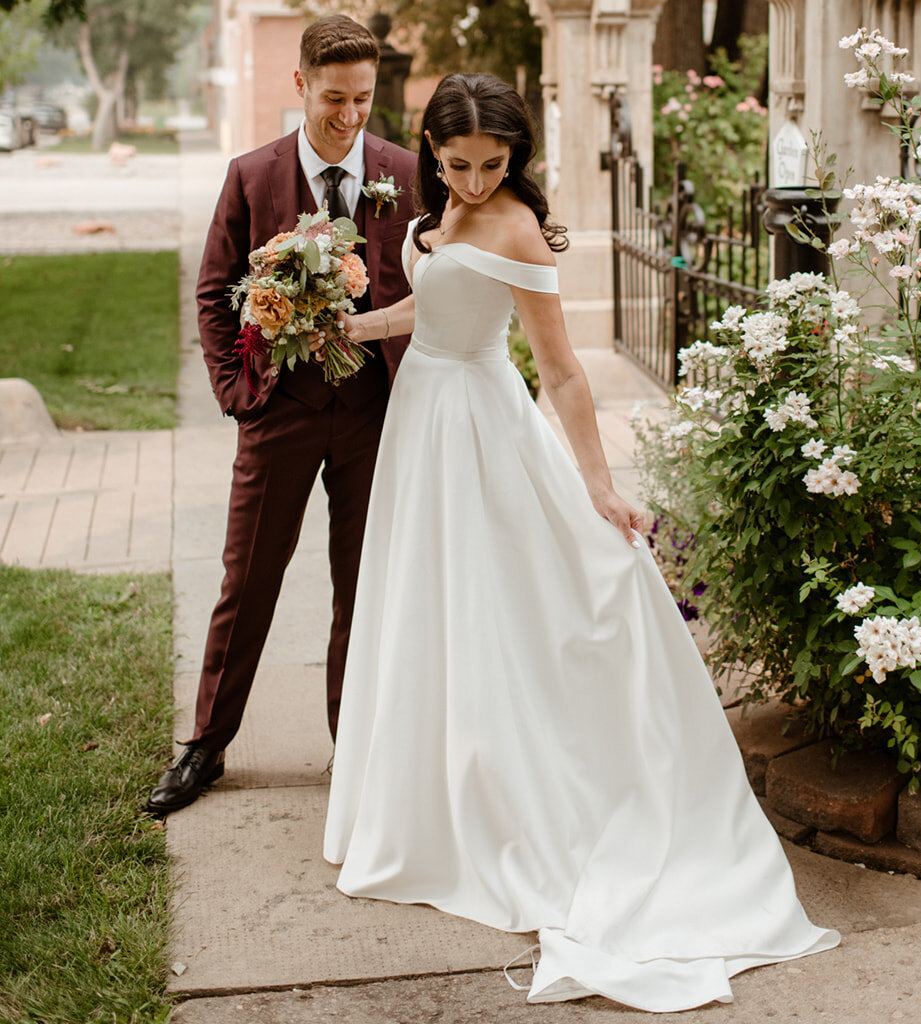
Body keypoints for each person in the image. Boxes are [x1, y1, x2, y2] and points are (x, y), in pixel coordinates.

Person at [322, 73, 838, 1013]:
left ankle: (519, 792)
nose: (475, 182)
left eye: (493, 164)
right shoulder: (431, 214)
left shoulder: (519, 228)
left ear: (517, 158)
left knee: (508, 612)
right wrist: (348, 324)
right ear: (431, 155)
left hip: (483, 426)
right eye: (457, 165)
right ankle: (424, 792)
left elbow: (558, 373)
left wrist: (600, 485)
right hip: (420, 425)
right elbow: (429, 308)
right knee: (424, 607)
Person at [146, 15, 417, 817]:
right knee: (247, 578)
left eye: (363, 98)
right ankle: (206, 745)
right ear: (299, 85)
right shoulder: (251, 175)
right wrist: (237, 393)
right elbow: (213, 290)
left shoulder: (402, 170)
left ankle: (357, 747)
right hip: (281, 411)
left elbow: (449, 255)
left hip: (375, 413)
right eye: (334, 97)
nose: (348, 114)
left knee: (362, 587)